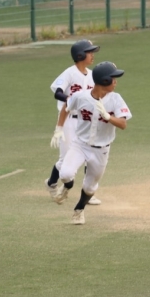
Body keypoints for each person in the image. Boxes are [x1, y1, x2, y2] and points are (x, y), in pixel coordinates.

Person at [53, 61, 132, 225]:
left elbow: (123, 124)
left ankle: (79, 209)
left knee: (90, 188)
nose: (116, 82)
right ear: (104, 81)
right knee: (65, 174)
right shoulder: (80, 96)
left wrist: (108, 117)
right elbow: (66, 107)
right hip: (80, 144)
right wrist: (59, 128)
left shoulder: (116, 99)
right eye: (113, 79)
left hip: (101, 150)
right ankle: (67, 187)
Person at [45, 39, 102, 206]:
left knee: (90, 157)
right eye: (89, 52)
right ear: (80, 55)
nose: (92, 55)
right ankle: (51, 183)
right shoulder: (69, 73)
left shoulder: (92, 75)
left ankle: (87, 192)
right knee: (65, 160)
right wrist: (71, 100)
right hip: (69, 120)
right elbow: (58, 92)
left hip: (86, 120)